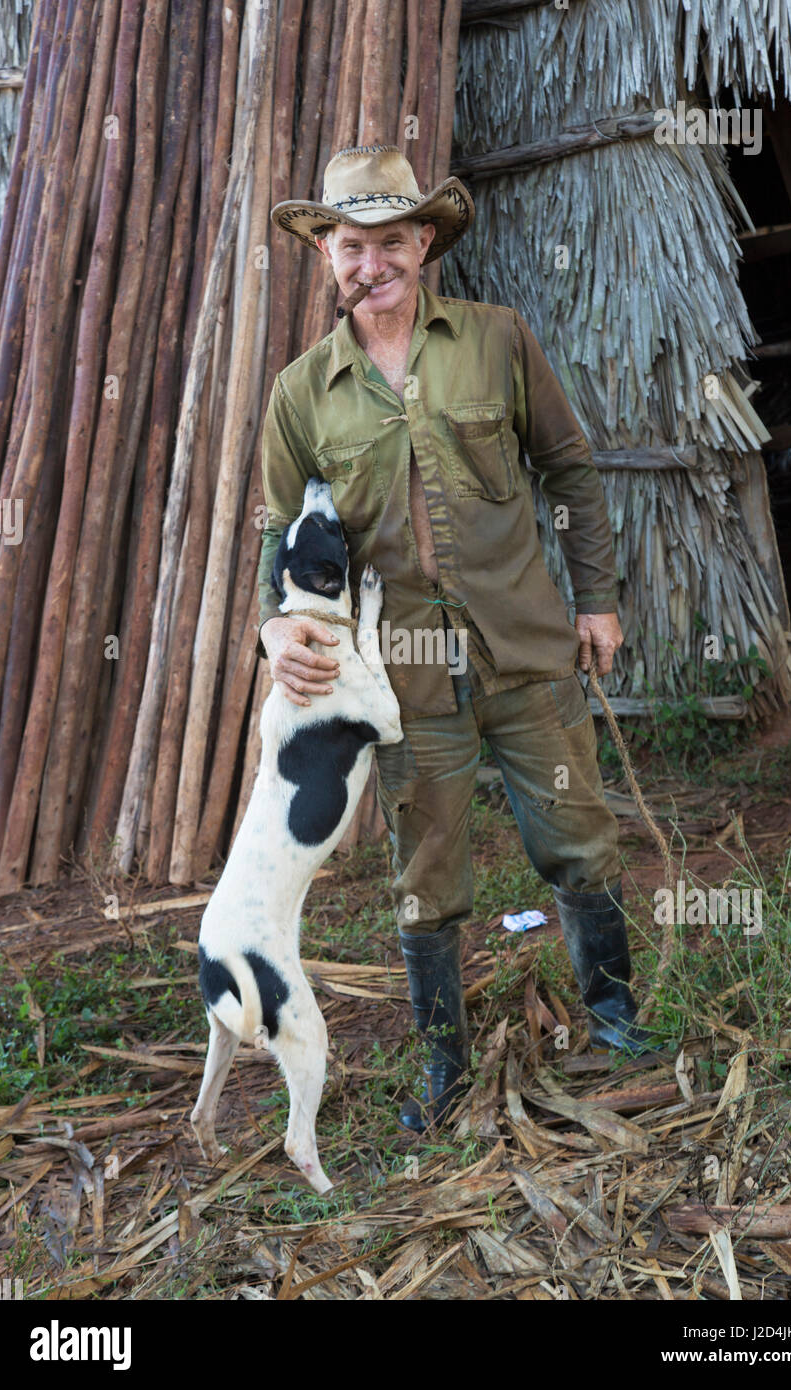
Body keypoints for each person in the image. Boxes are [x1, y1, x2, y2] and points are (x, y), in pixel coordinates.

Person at [256, 143, 651, 1134]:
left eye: (390, 239)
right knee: (424, 878)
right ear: (327, 253)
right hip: (405, 683)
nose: (369, 261)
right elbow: (281, 532)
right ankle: (444, 1065)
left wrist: (593, 599)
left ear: (422, 240)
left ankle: (612, 1018)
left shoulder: (494, 341)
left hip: (523, 649)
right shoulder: (304, 392)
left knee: (577, 841)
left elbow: (567, 468)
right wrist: (278, 625)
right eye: (351, 244)